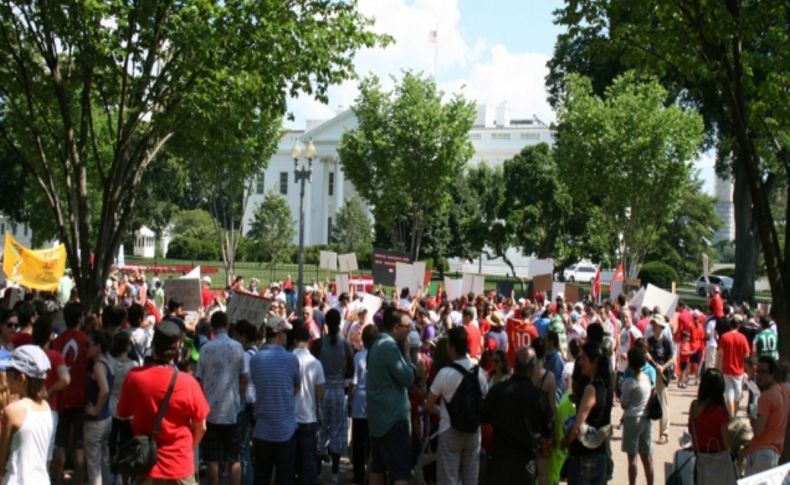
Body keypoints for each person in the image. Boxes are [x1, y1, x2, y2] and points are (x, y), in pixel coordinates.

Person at [117, 319, 210, 484]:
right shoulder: (188, 383)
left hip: (147, 465)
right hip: (180, 466)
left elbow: (122, 414)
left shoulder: (134, 377)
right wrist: (189, 447)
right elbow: (201, 426)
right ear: (177, 349)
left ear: (153, 346)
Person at [425, 326, 488, 485]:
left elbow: (428, 404)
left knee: (448, 478)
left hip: (449, 429)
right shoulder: (479, 372)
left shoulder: (445, 373)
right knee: (470, 478)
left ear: (452, 347)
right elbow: (484, 397)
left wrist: (440, 411)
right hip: (474, 432)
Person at [482, 347, 553, 484]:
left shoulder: (497, 391)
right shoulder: (538, 397)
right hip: (524, 464)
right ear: (532, 368)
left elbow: (484, 417)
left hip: (499, 461)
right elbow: (548, 429)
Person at [195, 311, 248, 485]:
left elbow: (199, 380)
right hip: (232, 410)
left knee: (212, 459)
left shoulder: (205, 348)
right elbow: (244, 377)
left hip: (210, 411)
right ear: (227, 325)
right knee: (234, 457)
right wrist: (239, 398)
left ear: (212, 327)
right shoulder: (238, 347)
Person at [366, 307, 416, 485]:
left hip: (378, 419)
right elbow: (408, 377)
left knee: (378, 469)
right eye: (407, 326)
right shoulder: (389, 347)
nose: (409, 330)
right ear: (395, 327)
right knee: (401, 473)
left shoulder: (376, 344)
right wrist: (409, 354)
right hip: (392, 420)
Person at [250, 316, 299, 485]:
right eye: (285, 333)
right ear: (279, 334)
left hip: (262, 429)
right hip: (285, 429)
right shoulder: (291, 359)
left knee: (261, 476)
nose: (287, 337)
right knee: (284, 477)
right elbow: (296, 387)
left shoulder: (255, 360)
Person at [311, 308, 353, 484]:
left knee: (321, 429)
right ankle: (335, 473)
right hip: (338, 392)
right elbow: (351, 369)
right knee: (337, 431)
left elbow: (314, 366)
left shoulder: (319, 344)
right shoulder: (345, 344)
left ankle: (319, 471)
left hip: (322, 391)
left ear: (325, 323)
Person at [0, 345, 53, 484]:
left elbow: (2, 458)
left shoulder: (13, 410)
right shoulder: (46, 407)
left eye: (9, 371)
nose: (5, 376)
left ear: (21, 378)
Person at [563, 341, 613, 485]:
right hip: (601, 454)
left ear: (594, 362)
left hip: (584, 457)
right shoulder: (607, 385)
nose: (580, 362)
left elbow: (577, 427)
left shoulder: (591, 389)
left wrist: (566, 441)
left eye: (584, 358)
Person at [50, 301, 88, 485]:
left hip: (61, 398)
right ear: (80, 318)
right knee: (80, 444)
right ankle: (79, 482)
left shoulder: (56, 341)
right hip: (81, 398)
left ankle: (56, 480)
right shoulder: (86, 340)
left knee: (61, 442)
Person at [742, 356, 790, 475]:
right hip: (774, 454)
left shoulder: (767, 396)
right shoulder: (785, 391)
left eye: (763, 373)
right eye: (758, 372)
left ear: (773, 374)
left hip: (760, 454)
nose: (759, 376)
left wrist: (752, 419)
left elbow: (758, 431)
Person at [688, 368, 736, 485]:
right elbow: (725, 441)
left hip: (701, 458)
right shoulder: (720, 412)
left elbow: (690, 429)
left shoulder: (694, 406)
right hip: (719, 459)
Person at [293, 324, 325, 485]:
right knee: (308, 459)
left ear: (294, 340)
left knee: (290, 460)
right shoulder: (316, 363)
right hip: (309, 417)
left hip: (290, 418)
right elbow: (320, 394)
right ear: (308, 341)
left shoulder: (289, 359)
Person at [83, 330, 113, 485]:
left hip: (96, 422)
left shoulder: (98, 366)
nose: (86, 348)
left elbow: (105, 390)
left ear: (98, 346)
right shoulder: (107, 362)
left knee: (94, 467)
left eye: (88, 345)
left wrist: (95, 409)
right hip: (106, 419)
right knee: (103, 462)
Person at [620, 347, 653, 485]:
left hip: (632, 419)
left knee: (632, 459)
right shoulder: (648, 378)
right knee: (647, 457)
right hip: (646, 419)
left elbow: (623, 404)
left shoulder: (629, 382)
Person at [350, 325, 377, 485]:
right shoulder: (378, 357)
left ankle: (359, 475)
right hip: (374, 401)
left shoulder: (359, 356)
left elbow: (353, 382)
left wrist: (350, 400)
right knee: (372, 441)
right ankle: (371, 474)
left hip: (359, 400)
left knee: (358, 442)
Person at [645, 315, 672, 445]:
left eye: (656, 324)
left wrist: (663, 367)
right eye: (653, 324)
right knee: (646, 402)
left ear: (661, 327)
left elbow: (673, 358)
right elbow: (644, 354)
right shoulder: (649, 340)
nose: (653, 326)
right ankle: (645, 432)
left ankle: (664, 433)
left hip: (661, 376)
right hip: (649, 375)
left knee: (662, 404)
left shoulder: (666, 341)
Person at [717, 316, 751, 417]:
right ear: (738, 326)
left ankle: (731, 415)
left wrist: (718, 368)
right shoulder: (743, 338)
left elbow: (720, 354)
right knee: (738, 395)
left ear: (730, 325)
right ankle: (733, 415)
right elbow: (747, 355)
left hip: (726, 369)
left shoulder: (724, 337)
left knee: (729, 394)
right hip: (738, 371)